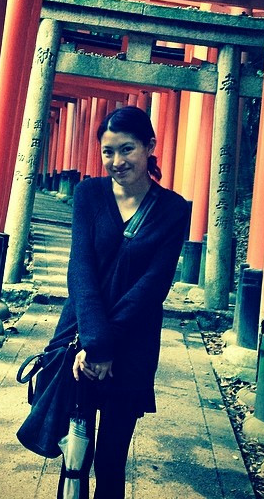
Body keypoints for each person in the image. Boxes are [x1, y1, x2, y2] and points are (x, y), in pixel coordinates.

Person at [48, 105, 189, 498]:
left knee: (112, 457)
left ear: (149, 147)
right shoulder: (89, 195)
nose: (116, 161)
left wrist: (107, 346)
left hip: (133, 346)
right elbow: (81, 270)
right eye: (108, 151)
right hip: (82, 337)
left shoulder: (173, 210)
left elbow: (153, 285)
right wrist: (95, 344)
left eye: (126, 149)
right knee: (75, 452)